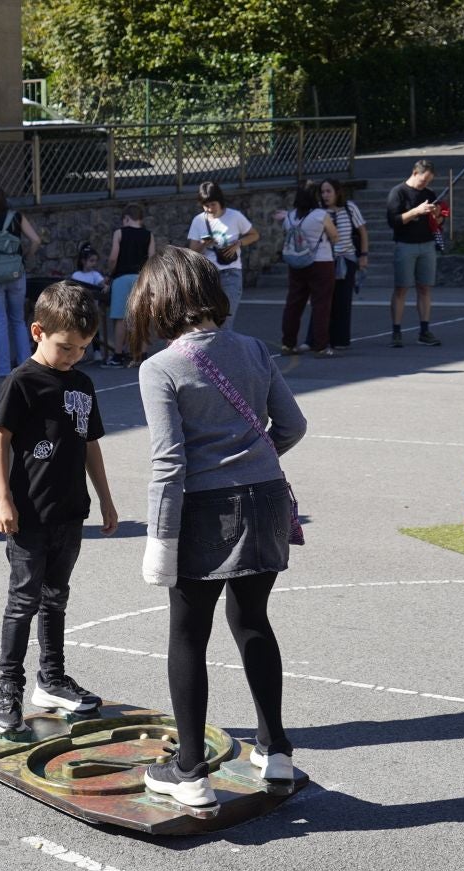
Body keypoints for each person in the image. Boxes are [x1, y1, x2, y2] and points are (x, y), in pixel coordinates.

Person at [127, 246, 307, 809]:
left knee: (188, 633)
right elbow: (293, 425)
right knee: (253, 620)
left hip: (205, 509)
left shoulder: (160, 368)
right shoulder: (252, 348)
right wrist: (253, 461)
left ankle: (189, 772)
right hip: (268, 499)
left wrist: (159, 541)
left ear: (159, 301)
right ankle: (275, 750)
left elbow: (168, 462)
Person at [0, 281, 118, 734]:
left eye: (83, 348)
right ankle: (9, 689)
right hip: (28, 515)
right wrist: (2, 497)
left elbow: (90, 444)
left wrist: (105, 498)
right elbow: (0, 441)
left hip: (70, 512)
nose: (74, 356)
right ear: (38, 331)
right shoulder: (22, 382)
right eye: (66, 347)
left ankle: (52, 679)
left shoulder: (82, 383)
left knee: (56, 597)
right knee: (23, 601)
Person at [0, 183, 43, 378]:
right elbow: (36, 240)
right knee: (18, 320)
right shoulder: (16, 217)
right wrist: (25, 257)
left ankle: (2, 368)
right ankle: (26, 365)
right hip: (16, 274)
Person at [305, 179, 367, 352]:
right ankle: (315, 339)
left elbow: (362, 231)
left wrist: (364, 255)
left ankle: (340, 339)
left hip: (346, 259)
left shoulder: (349, 208)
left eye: (328, 191)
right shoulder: (318, 211)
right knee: (321, 300)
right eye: (322, 192)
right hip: (325, 260)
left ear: (337, 192)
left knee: (343, 300)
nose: (325, 195)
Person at [386, 160, 442, 348]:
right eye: (423, 180)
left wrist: (437, 215)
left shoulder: (429, 193)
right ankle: (396, 331)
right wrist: (416, 211)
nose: (425, 184)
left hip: (427, 244)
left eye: (428, 181)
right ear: (415, 173)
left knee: (425, 288)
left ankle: (425, 330)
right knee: (401, 288)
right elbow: (393, 220)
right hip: (405, 245)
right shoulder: (398, 192)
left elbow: (437, 222)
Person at [187, 182, 259, 328]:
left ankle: (225, 343)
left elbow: (254, 235)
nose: (209, 209)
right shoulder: (199, 220)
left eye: (213, 204)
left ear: (220, 201)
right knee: (208, 322)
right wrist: (204, 243)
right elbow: (192, 251)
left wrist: (239, 243)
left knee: (225, 321)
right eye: (206, 205)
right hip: (207, 276)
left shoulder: (235, 216)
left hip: (231, 273)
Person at [280, 181, 339, 357]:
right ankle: (321, 346)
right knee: (321, 305)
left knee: (294, 304)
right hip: (321, 262)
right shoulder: (320, 215)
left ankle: (288, 344)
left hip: (296, 263)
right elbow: (335, 236)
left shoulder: (290, 217)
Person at [106, 203, 157, 364]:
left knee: (120, 318)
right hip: (141, 279)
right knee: (142, 317)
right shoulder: (149, 235)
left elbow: (113, 258)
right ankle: (142, 354)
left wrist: (110, 273)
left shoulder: (119, 233)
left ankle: (118, 355)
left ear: (126, 218)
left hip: (121, 278)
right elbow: (152, 258)